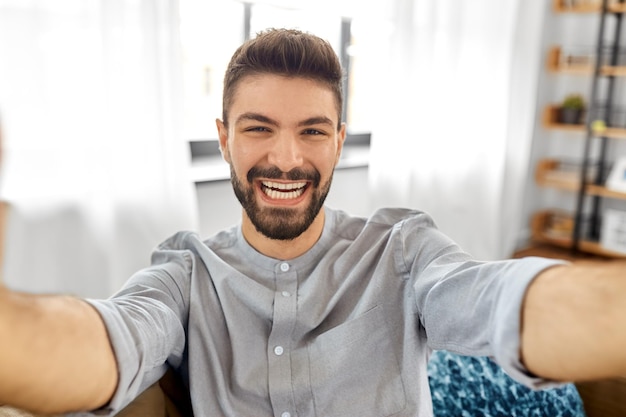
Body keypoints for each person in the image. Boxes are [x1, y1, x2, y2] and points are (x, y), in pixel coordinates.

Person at [1, 28, 625, 417]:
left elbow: (500, 303)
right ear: (223, 139)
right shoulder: (186, 271)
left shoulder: (402, 249)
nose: (287, 159)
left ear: (339, 141)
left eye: (312, 131)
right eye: (258, 129)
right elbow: (112, 339)